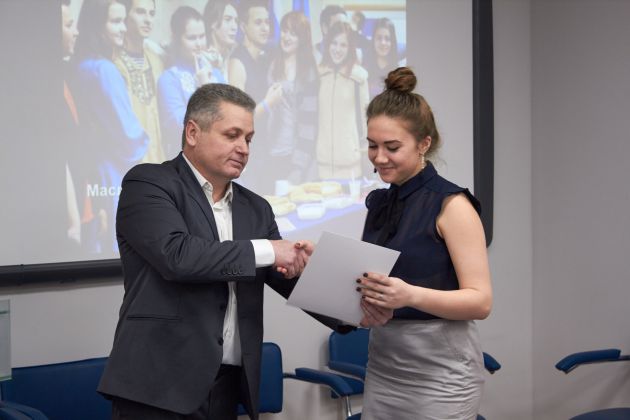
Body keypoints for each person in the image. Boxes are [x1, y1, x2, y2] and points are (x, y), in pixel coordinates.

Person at [97, 83, 391, 419]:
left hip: (227, 385)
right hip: (157, 384)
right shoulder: (149, 183)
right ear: (192, 132)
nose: (243, 148)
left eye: (248, 139)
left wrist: (352, 308)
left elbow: (286, 276)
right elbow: (178, 256)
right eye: (232, 135)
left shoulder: (256, 208)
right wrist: (270, 249)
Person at [356, 67, 493, 420]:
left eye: (392, 147)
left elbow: (480, 302)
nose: (379, 157)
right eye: (372, 145)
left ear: (424, 144)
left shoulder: (453, 205)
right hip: (385, 365)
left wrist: (410, 295)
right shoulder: (380, 203)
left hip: (442, 373)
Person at [71, 0, 149, 254]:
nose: (123, 28)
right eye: (115, 21)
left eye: (123, 21)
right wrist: (146, 140)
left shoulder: (78, 65)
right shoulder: (104, 70)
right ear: (97, 25)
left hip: (89, 172)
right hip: (113, 174)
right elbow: (130, 136)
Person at [158, 6, 225, 157]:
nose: (199, 43)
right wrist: (204, 89)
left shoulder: (215, 73)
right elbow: (179, 125)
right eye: (191, 38)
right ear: (177, 39)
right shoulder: (169, 78)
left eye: (202, 36)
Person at [264, 11, 319, 189]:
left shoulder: (308, 72)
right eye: (285, 31)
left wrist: (297, 169)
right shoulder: (273, 64)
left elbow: (309, 126)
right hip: (270, 152)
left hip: (293, 155)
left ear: (302, 39)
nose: (286, 37)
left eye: (293, 33)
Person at [113, 0, 165, 164]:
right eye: (141, 12)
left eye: (152, 13)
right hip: (128, 159)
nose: (148, 19)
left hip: (158, 157)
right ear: (126, 14)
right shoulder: (113, 62)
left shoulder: (157, 61)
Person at [316, 21, 368, 180]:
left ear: (350, 48)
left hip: (351, 165)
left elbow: (366, 119)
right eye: (334, 43)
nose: (337, 49)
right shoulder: (319, 74)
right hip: (322, 165)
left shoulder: (358, 77)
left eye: (343, 45)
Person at [362, 18, 400, 98]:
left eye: (387, 39)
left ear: (393, 42)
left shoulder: (398, 71)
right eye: (379, 38)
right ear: (373, 41)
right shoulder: (364, 68)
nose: (383, 43)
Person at [203, 0, 238, 82]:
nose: (234, 27)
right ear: (212, 23)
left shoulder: (231, 57)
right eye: (227, 20)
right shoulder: (203, 59)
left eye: (236, 21)